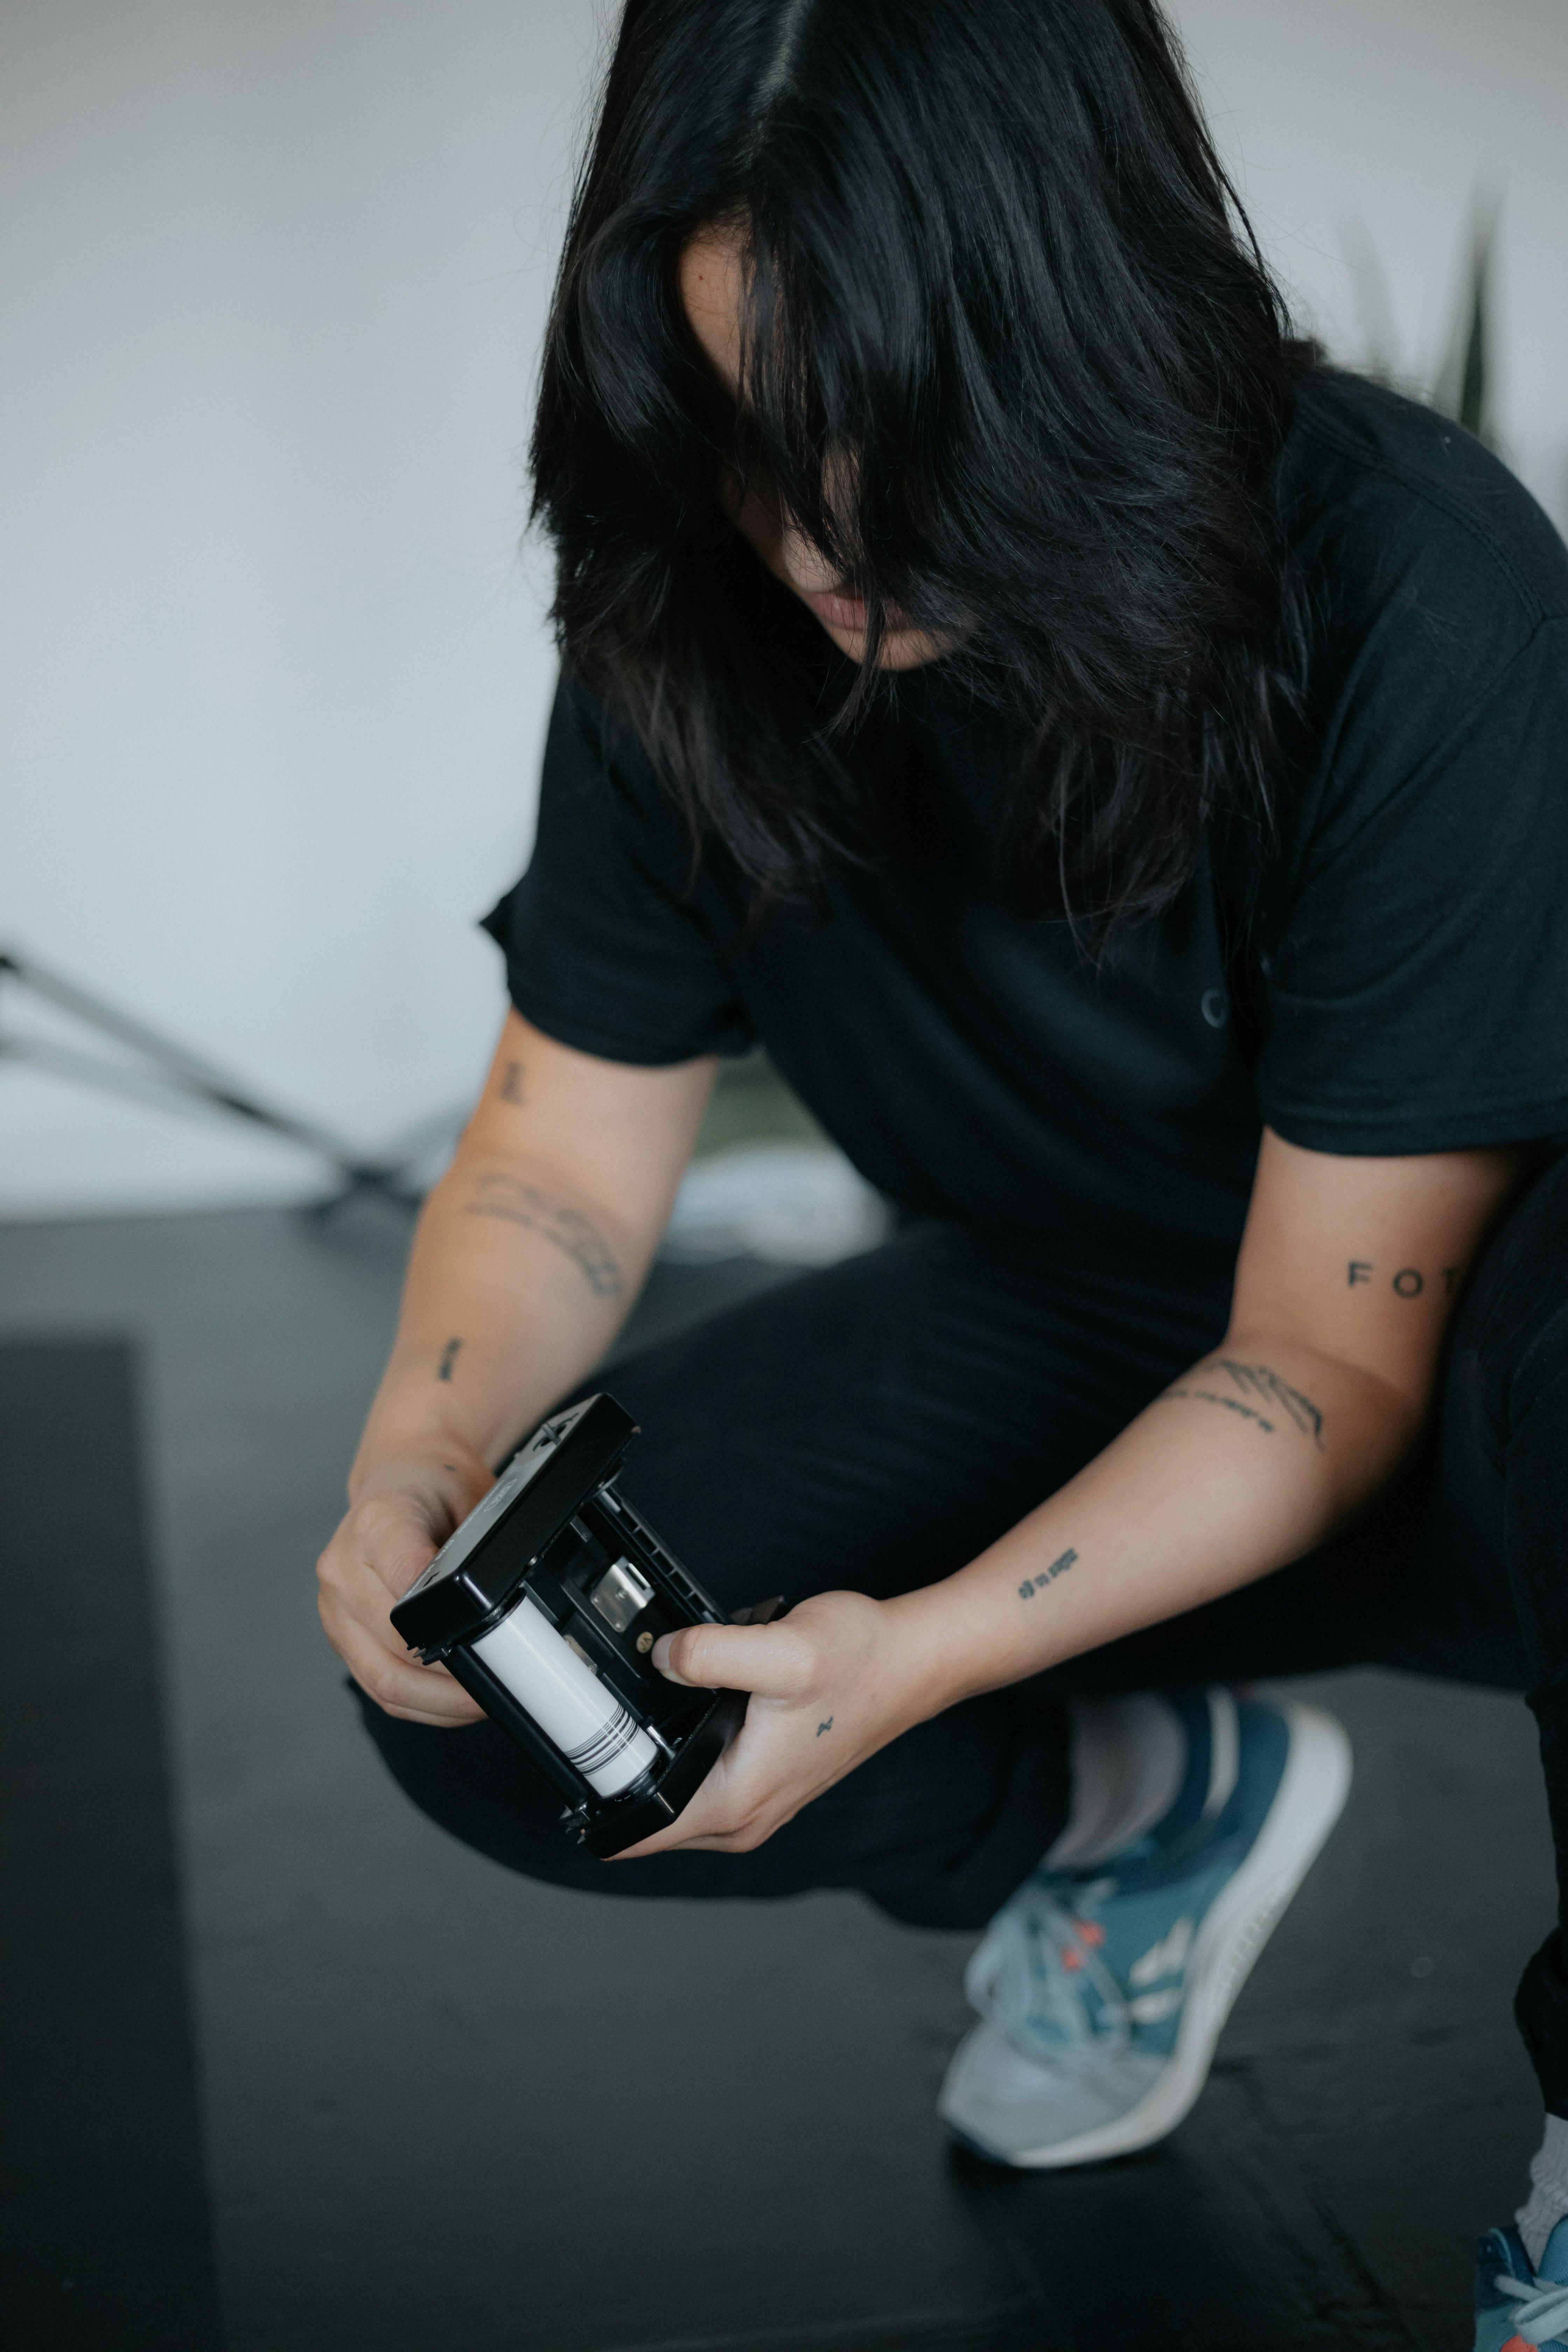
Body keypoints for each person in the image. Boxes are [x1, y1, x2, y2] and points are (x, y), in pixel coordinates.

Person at [315, 2, 1568, 2334]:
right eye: (748, 437)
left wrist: (929, 1649)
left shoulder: (1418, 582)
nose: (813, 537)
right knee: (506, 1720)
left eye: (900, 441)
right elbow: (570, 1156)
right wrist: (425, 1454)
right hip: (1080, 1321)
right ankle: (1128, 1814)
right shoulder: (689, 608)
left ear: (1089, 330)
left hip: (1464, 1375)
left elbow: (1325, 1356)